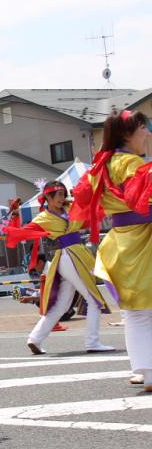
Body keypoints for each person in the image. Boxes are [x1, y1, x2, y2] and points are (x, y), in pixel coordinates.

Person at [70, 109, 152, 390]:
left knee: (135, 312)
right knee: (143, 311)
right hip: (143, 239)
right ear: (128, 133)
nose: (148, 133)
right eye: (144, 127)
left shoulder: (103, 164)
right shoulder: (130, 163)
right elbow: (141, 197)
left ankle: (144, 370)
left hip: (120, 241)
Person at [6, 180, 113, 355]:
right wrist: (15, 216)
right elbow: (20, 233)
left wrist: (80, 197)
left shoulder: (70, 208)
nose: (62, 198)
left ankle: (35, 339)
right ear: (47, 197)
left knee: (62, 305)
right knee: (93, 299)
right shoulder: (43, 218)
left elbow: (89, 213)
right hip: (69, 257)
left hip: (72, 257)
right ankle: (92, 342)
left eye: (64, 194)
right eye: (58, 195)